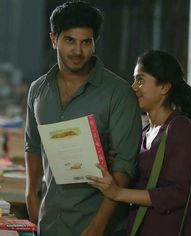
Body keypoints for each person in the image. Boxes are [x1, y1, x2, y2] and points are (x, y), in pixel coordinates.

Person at [24, 1, 142, 236]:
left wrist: (96, 227)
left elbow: (124, 165)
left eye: (86, 42)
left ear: (94, 44)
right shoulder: (38, 90)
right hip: (49, 224)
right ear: (53, 39)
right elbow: (33, 145)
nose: (78, 51)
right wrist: (30, 196)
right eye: (69, 40)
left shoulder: (118, 94)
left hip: (98, 226)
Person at [87, 50, 191, 236]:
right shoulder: (145, 132)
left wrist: (118, 193)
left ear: (164, 87)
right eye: (134, 80)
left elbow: (178, 193)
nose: (133, 87)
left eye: (141, 80)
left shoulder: (179, 129)